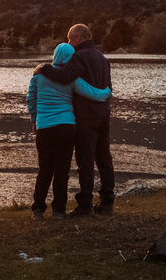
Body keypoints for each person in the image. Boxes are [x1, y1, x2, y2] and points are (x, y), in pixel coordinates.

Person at [26, 42, 111, 219]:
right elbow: (94, 93)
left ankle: (38, 208)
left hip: (44, 128)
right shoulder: (72, 80)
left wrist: (35, 120)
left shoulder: (37, 77)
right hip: (66, 127)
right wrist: (107, 91)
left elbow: (31, 100)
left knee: (45, 168)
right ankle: (58, 210)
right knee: (62, 170)